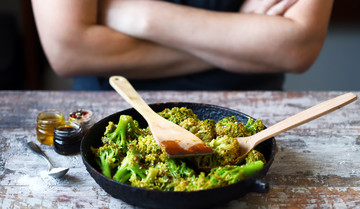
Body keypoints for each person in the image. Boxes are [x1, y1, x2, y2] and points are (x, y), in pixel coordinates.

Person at [30, 0, 334, 91]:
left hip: (253, 119)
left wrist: (145, 18)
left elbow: (297, 47)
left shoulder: (142, 17)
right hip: (105, 116)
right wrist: (243, 43)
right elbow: (69, 49)